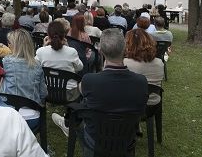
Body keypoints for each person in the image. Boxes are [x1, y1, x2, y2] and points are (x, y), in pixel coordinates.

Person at [60, 28, 148, 156]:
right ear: (125, 50)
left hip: (95, 142)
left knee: (78, 119)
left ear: (100, 50)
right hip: (126, 141)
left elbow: (72, 96)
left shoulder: (89, 81)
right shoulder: (141, 82)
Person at [1, 29, 47, 130]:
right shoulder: (37, 65)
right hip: (32, 116)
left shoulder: (6, 62)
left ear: (13, 45)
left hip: (8, 115)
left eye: (9, 43)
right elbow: (43, 93)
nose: (8, 45)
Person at [35, 21, 83, 101]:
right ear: (64, 35)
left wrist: (43, 47)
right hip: (68, 94)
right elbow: (80, 67)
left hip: (48, 92)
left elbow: (35, 67)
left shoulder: (41, 51)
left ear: (48, 35)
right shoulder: (72, 52)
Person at [124, 29, 164, 105]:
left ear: (128, 44)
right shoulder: (159, 63)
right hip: (152, 106)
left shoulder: (124, 63)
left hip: (129, 105)